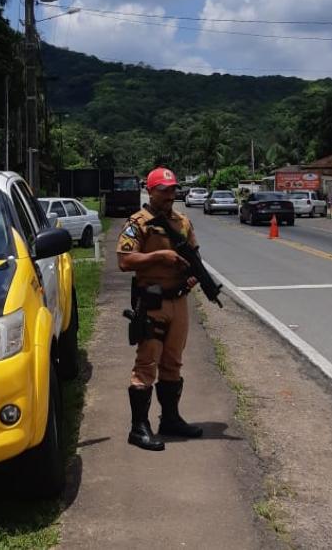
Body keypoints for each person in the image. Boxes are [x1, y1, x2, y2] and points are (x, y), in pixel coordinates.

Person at [117, 166, 203, 451]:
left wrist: (192, 276)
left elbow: (194, 257)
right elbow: (124, 261)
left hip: (179, 302)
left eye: (173, 189)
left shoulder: (183, 222)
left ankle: (171, 419)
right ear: (150, 190)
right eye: (163, 190)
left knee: (173, 362)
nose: (169, 195)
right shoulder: (138, 223)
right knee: (146, 364)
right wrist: (159, 256)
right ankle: (138, 428)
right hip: (152, 301)